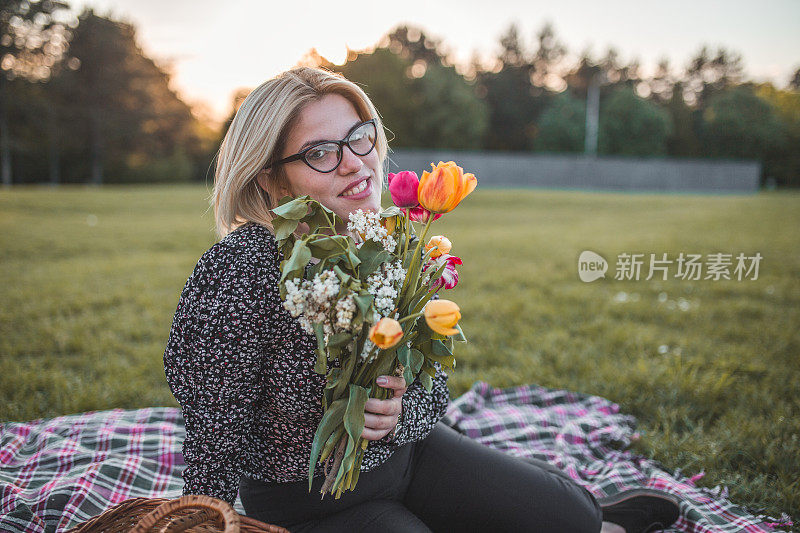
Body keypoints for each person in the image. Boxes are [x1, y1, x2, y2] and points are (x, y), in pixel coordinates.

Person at [163, 66, 680, 532]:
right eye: (321, 153)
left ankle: (595, 519)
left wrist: (400, 410)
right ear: (270, 177)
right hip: (310, 504)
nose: (354, 164)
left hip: (407, 458)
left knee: (573, 518)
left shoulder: (388, 239)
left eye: (359, 138)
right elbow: (214, 424)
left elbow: (431, 384)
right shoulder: (241, 265)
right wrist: (204, 520)